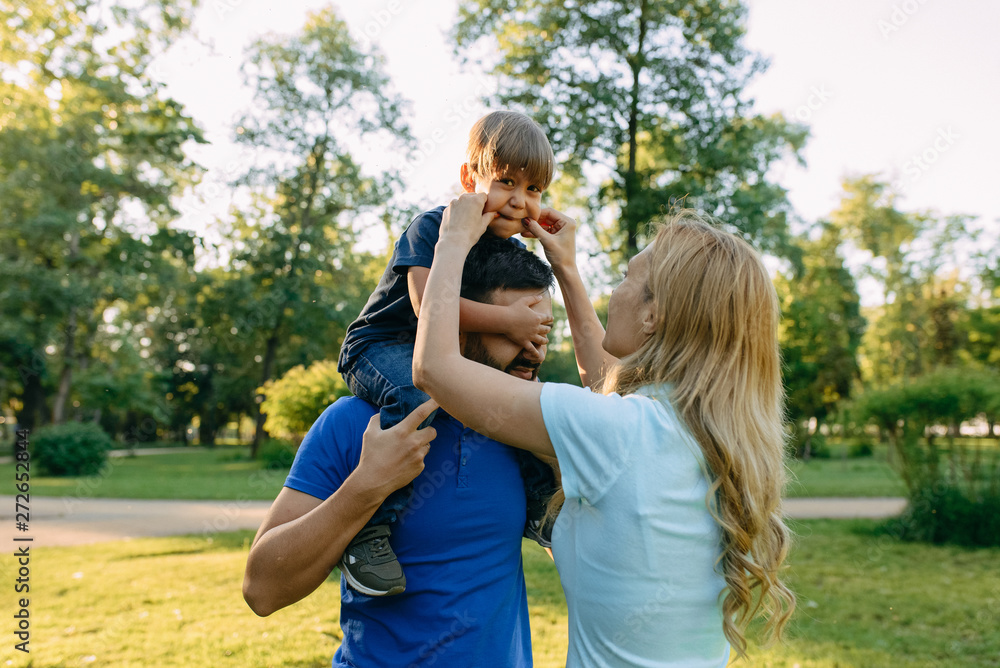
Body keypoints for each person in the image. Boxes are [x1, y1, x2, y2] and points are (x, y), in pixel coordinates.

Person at [413, 195, 796, 666]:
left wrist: (450, 241)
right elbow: (607, 384)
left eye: (624, 279)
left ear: (655, 315)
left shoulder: (620, 433)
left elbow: (435, 368)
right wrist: (566, 269)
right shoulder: (711, 435)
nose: (614, 292)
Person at [243, 237, 556, 667]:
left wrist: (559, 466)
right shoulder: (356, 423)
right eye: (511, 331)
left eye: (543, 331)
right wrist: (367, 486)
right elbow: (262, 589)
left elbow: (584, 558)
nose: (535, 350)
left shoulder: (532, 429)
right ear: (456, 324)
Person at [335, 110, 557, 596]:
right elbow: (424, 304)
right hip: (381, 346)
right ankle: (369, 529)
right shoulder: (434, 226)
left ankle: (539, 503)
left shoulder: (505, 248)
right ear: (468, 178)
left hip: (443, 354)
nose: (519, 201)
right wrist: (508, 321)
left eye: (534, 189)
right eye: (505, 182)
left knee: (526, 394)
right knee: (418, 396)